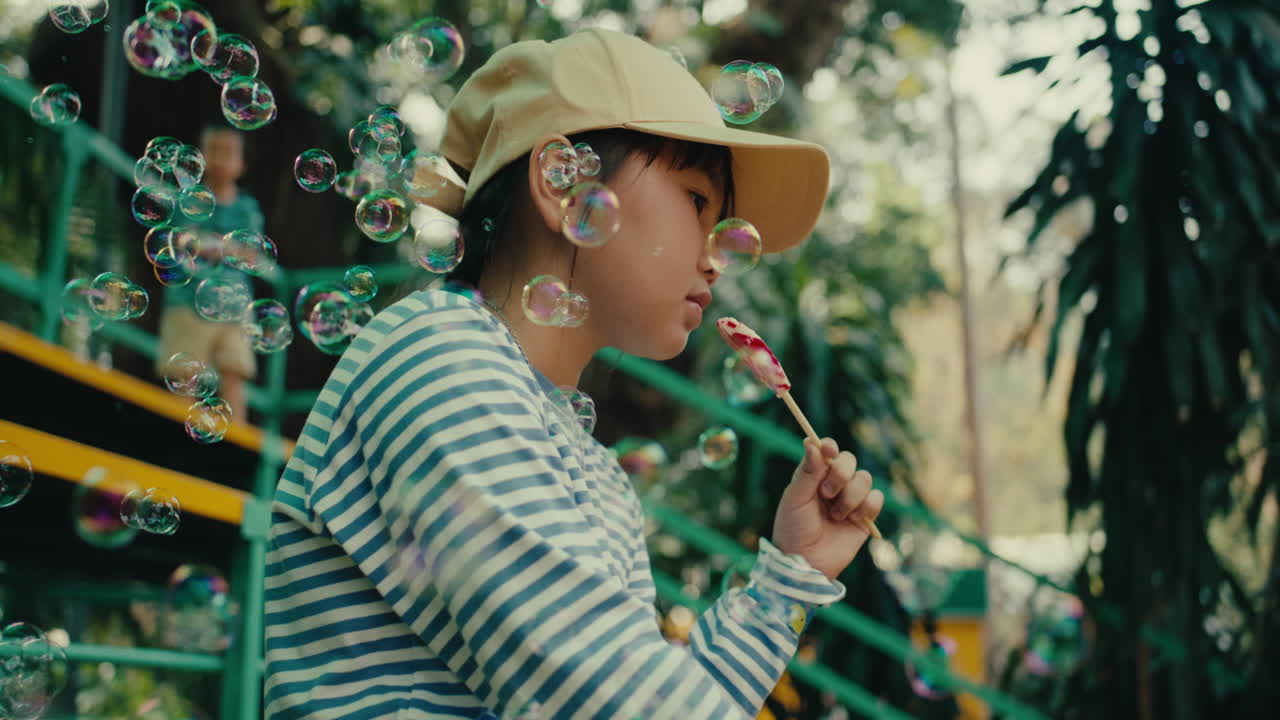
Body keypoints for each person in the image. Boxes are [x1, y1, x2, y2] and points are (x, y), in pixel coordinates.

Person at [264, 29, 884, 719]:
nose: (717, 259)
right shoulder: (439, 357)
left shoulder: (590, 464)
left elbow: (642, 691)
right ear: (563, 185)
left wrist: (790, 579)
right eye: (698, 202)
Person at [154, 125, 259, 421]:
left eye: (229, 152)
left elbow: (249, 251)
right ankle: (178, 435)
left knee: (234, 371)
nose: (221, 159)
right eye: (213, 151)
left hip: (234, 306)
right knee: (184, 371)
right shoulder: (188, 199)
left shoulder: (247, 208)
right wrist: (225, 246)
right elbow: (180, 240)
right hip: (187, 300)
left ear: (242, 164)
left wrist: (208, 244)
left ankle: (236, 441)